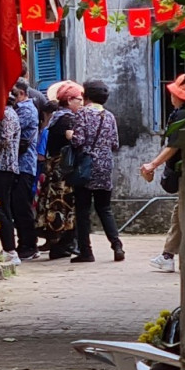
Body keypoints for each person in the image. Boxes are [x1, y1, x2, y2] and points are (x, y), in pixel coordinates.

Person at [67, 79, 124, 263]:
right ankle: (117, 245)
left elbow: (78, 141)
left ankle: (86, 251)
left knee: (83, 210)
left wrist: (70, 135)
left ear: (86, 96)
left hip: (86, 166)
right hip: (105, 166)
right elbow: (115, 144)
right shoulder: (109, 116)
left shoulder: (82, 114)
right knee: (104, 208)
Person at [140, 74, 185, 273]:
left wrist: (153, 165)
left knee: (182, 213)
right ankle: (168, 255)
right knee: (179, 212)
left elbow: (174, 145)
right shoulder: (184, 113)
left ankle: (172, 255)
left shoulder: (182, 116)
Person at [0, 80, 39, 266]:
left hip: (4, 166)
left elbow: (4, 139)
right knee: (7, 208)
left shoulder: (9, 115)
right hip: (2, 166)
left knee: (8, 208)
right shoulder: (6, 114)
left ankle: (14, 249)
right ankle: (13, 247)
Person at [33, 82, 82, 258]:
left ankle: (59, 244)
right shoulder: (67, 119)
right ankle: (64, 245)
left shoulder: (56, 117)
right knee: (64, 206)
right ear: (69, 100)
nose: (81, 103)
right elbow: (74, 140)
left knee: (56, 205)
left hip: (54, 169)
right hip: (63, 172)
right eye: (79, 99)